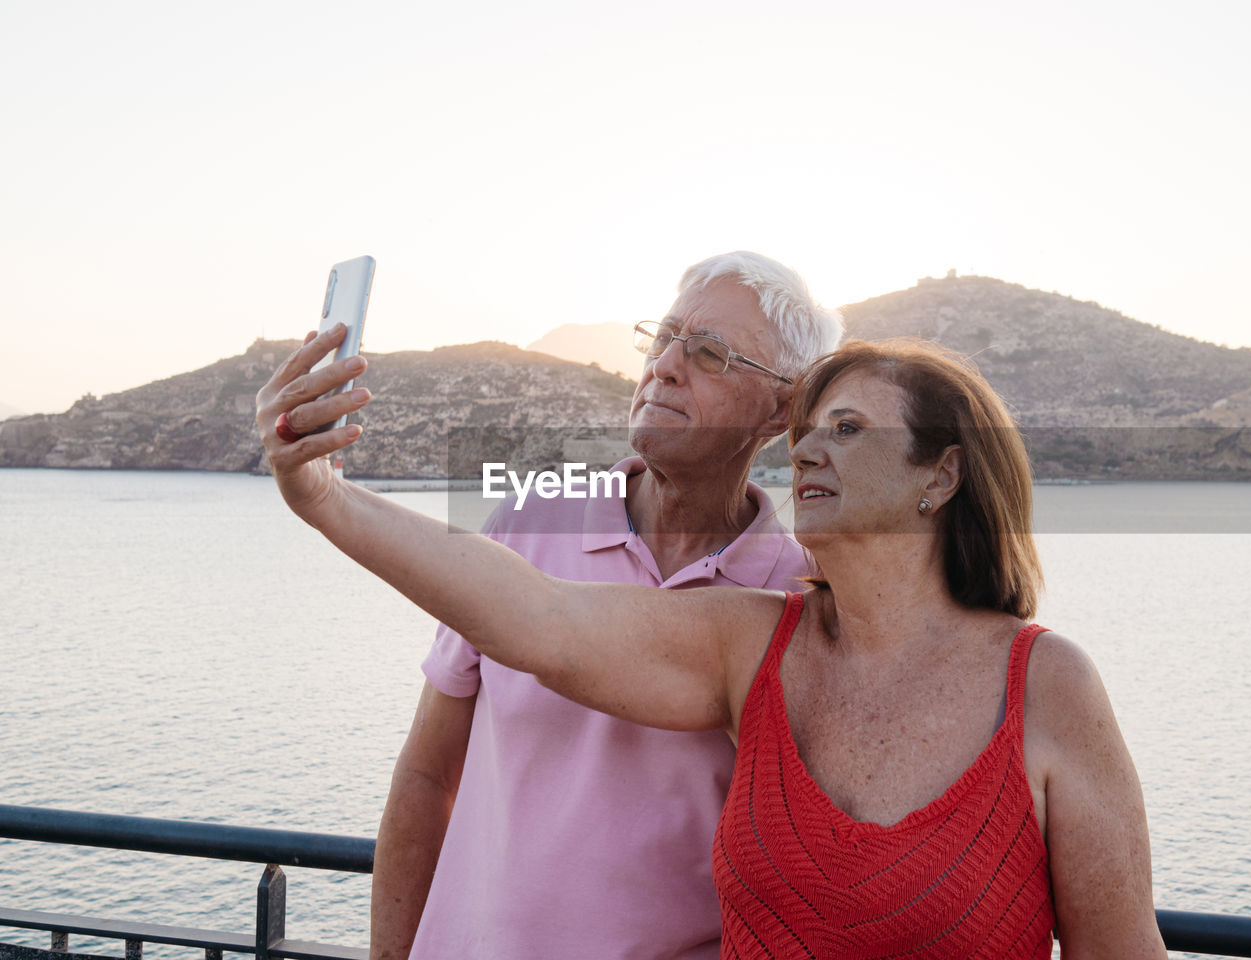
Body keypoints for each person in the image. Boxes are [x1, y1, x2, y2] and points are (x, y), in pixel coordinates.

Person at [259, 328, 1166, 956]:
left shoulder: (1047, 686)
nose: (808, 451)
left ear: (944, 473)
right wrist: (325, 498)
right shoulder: (755, 643)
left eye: (848, 431)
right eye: (806, 433)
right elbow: (536, 619)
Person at [287, 253, 838, 960]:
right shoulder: (526, 524)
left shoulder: (799, 599)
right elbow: (427, 777)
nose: (666, 365)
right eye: (665, 336)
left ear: (782, 408)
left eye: (710, 354)